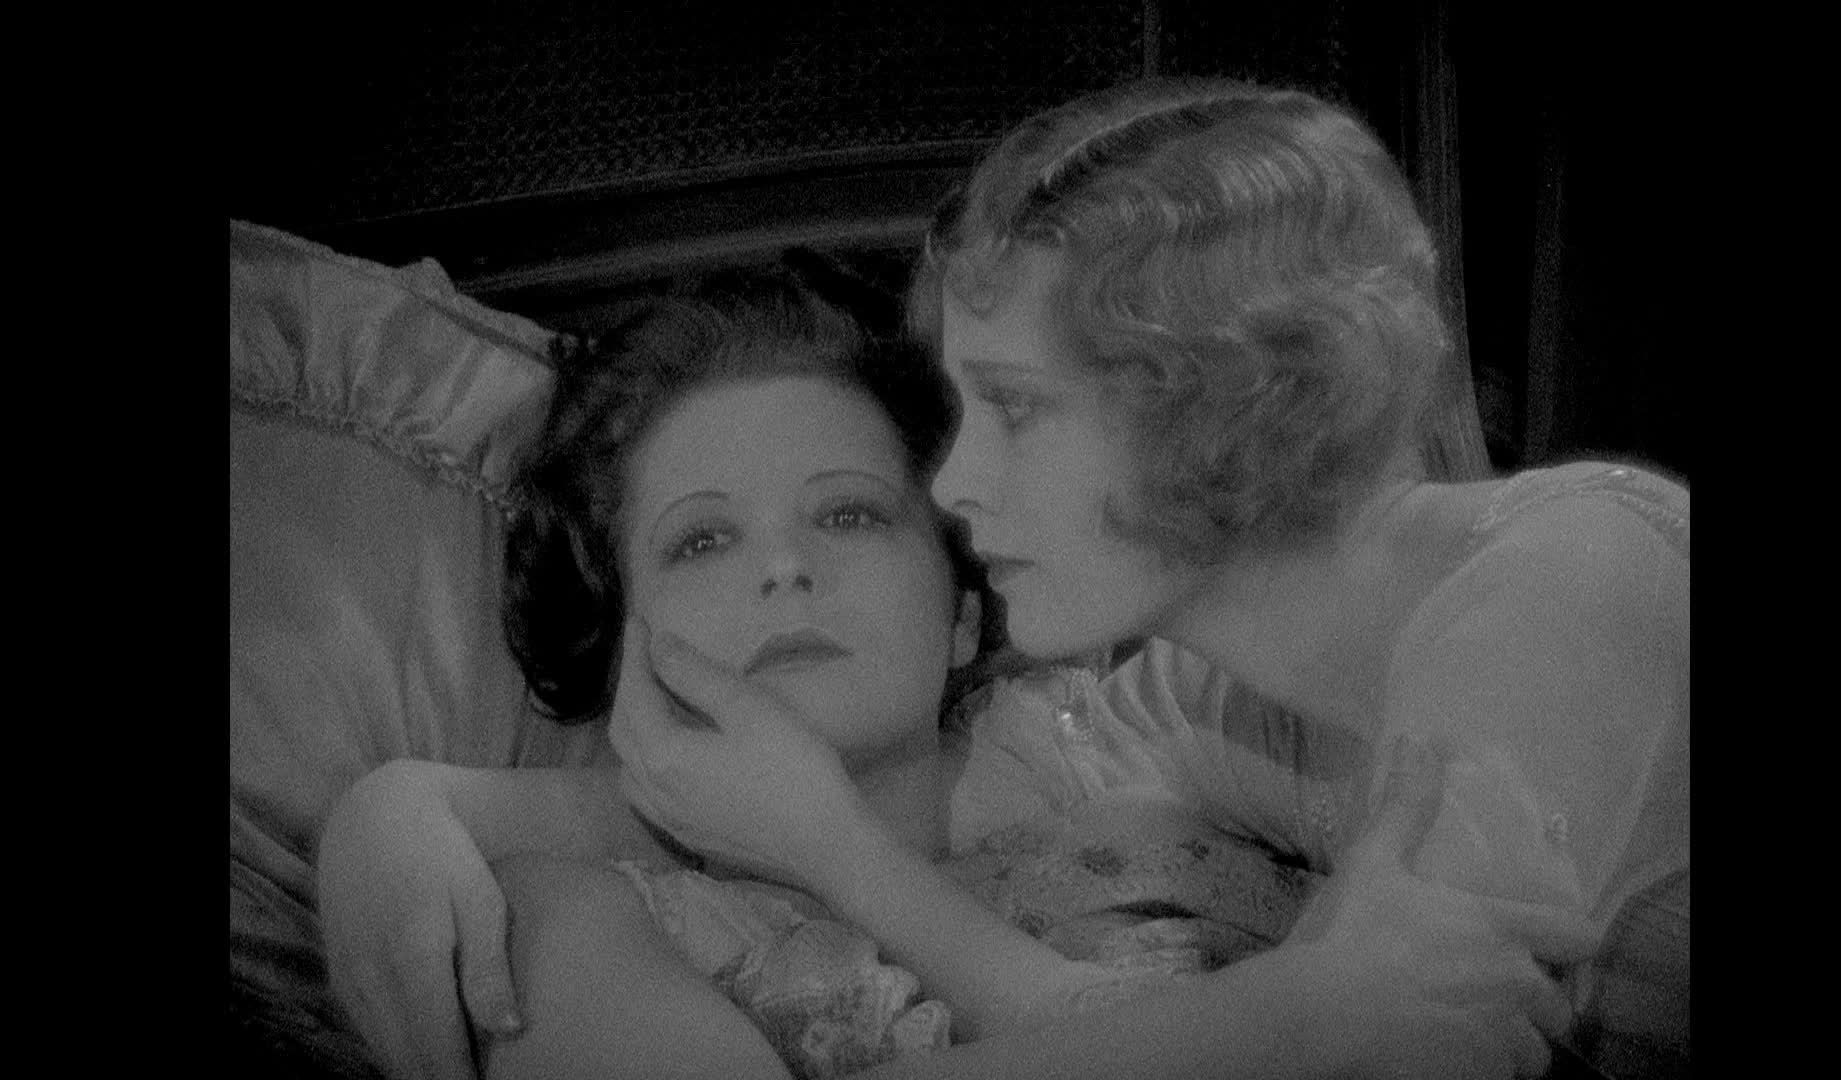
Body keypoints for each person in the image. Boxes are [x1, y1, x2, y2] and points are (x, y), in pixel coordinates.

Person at [612, 77, 1688, 1077]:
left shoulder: (1565, 592)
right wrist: (480, 810)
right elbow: (876, 791)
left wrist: (841, 855)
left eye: (1014, 408)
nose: (952, 484)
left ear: (1218, 390)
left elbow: (1340, 1045)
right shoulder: (1212, 693)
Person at [319, 258, 1592, 1080]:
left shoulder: (1134, 734)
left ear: (965, 615)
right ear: (620, 656)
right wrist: (1299, 1019)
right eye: (702, 540)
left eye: (852, 512)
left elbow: (1513, 784)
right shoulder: (574, 920)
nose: (786, 569)